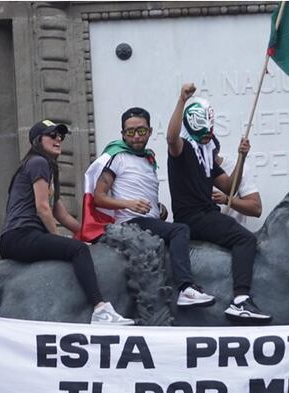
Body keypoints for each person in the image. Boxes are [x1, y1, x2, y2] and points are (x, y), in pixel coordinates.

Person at [0, 119, 133, 325]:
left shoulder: (50, 168)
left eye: (61, 136)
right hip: (21, 235)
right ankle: (100, 308)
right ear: (37, 140)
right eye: (52, 136)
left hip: (22, 235)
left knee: (78, 245)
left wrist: (89, 234)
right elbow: (42, 208)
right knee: (77, 250)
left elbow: (59, 212)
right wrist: (59, 239)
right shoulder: (38, 162)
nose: (58, 139)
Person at [87, 106, 215, 308]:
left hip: (148, 220)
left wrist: (157, 207)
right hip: (129, 223)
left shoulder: (149, 158)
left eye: (142, 131)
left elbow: (138, 190)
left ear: (150, 131)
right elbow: (99, 198)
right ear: (123, 134)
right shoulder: (116, 157)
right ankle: (185, 288)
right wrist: (129, 204)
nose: (136, 136)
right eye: (130, 132)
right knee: (180, 230)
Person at [167, 84, 271, 323]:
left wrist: (241, 157)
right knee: (245, 238)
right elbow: (171, 138)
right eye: (203, 133)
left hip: (207, 212)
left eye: (209, 133)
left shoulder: (206, 155)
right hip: (193, 216)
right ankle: (241, 299)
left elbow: (229, 185)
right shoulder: (182, 150)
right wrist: (181, 99)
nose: (207, 137)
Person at [214, 153, 262, 230]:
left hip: (231, 233)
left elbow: (256, 209)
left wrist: (227, 199)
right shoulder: (192, 168)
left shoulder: (235, 167)